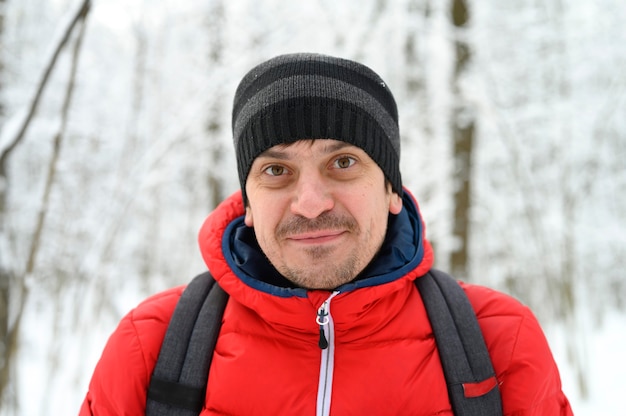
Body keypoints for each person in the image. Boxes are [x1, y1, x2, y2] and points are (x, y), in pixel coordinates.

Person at [80, 53, 573, 415]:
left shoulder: (499, 343)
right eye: (276, 170)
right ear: (247, 202)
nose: (311, 202)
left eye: (343, 162)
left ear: (391, 190)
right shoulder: (150, 347)